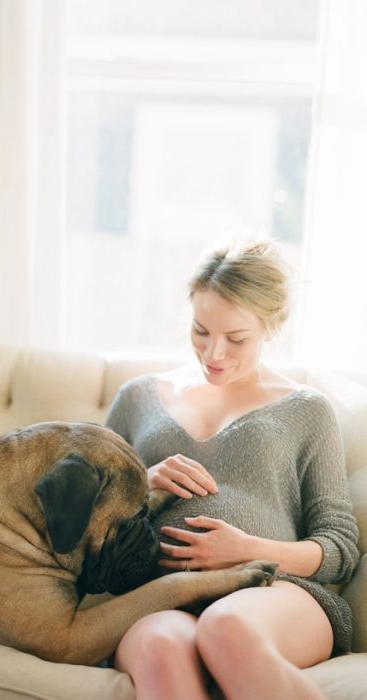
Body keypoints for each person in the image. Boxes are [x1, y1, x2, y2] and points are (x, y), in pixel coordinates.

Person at [105, 239, 359, 700]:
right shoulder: (137, 399)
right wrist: (138, 486)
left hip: (274, 590)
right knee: (162, 650)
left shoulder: (307, 410)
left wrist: (245, 551)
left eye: (236, 339)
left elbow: (339, 545)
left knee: (227, 627)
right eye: (201, 331)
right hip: (160, 596)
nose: (214, 353)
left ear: (271, 327)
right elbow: (85, 526)